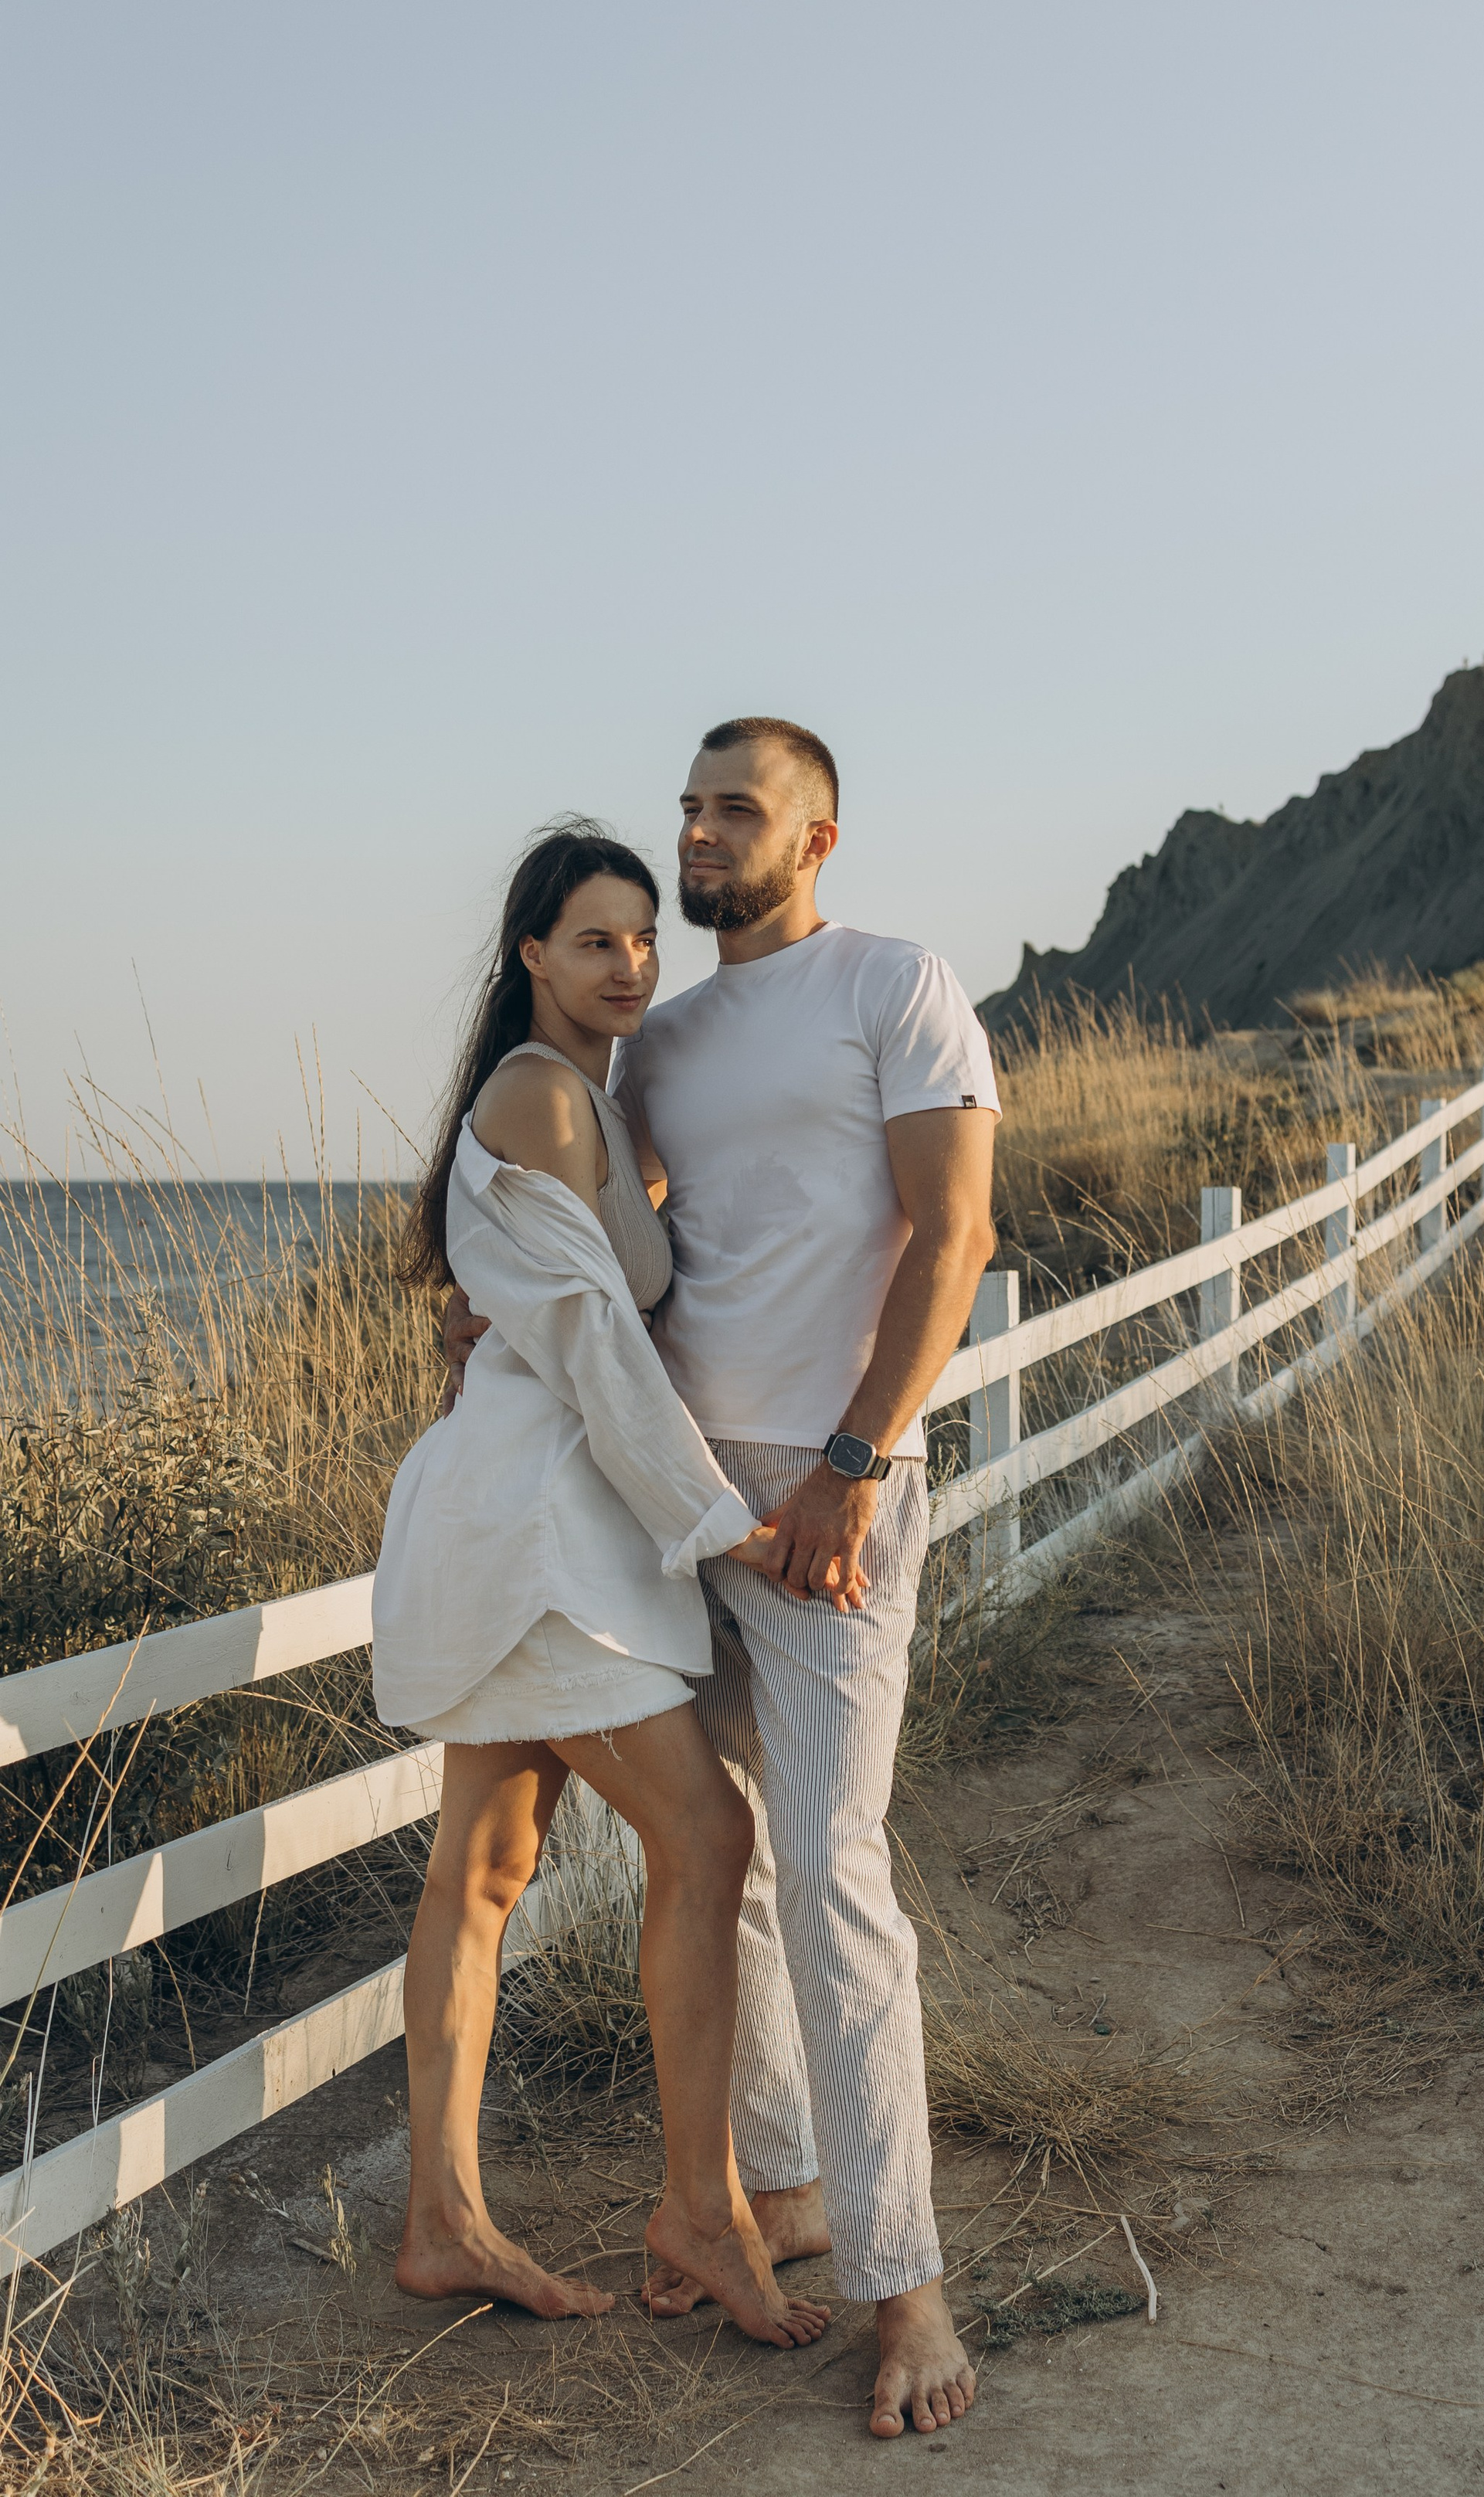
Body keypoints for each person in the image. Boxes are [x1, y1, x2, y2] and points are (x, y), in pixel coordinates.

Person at [445, 721, 999, 2438]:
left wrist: (852, 1462)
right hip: (671, 1505)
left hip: (823, 1496)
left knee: (833, 1874)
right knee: (727, 1867)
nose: (698, 834)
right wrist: (492, 1299)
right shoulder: (650, 1040)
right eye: (688, 806)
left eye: (733, 809)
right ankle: (771, 2194)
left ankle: (901, 2291)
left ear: (817, 837)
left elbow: (953, 1232)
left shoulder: (895, 988)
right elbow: (608, 1234)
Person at [379, 823, 829, 2349]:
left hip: (530, 1514)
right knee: (705, 1833)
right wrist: (721, 1523)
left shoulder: (581, 1097)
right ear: (530, 956)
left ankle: (444, 2220)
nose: (629, 962)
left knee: (482, 1876)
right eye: (593, 939)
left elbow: (555, 1302)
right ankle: (698, 2208)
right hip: (541, 1532)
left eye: (644, 937)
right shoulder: (538, 1093)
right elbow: (591, 1348)